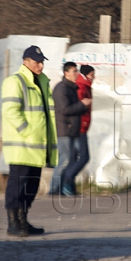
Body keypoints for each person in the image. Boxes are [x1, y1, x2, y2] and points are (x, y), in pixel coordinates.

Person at [1, 46, 58, 237]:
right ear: (25, 62)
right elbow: (10, 110)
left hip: (37, 146)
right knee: (17, 184)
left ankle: (23, 221)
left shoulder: (42, 82)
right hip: (22, 145)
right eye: (36, 62)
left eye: (42, 62)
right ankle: (12, 223)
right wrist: (27, 131)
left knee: (32, 186)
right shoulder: (15, 81)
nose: (40, 65)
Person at [50, 62, 92, 197]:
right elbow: (64, 109)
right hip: (65, 129)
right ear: (66, 73)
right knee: (65, 160)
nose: (76, 74)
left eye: (76, 71)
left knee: (71, 159)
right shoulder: (61, 89)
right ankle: (54, 188)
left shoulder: (71, 88)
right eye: (73, 71)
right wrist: (82, 104)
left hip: (72, 129)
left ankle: (64, 187)